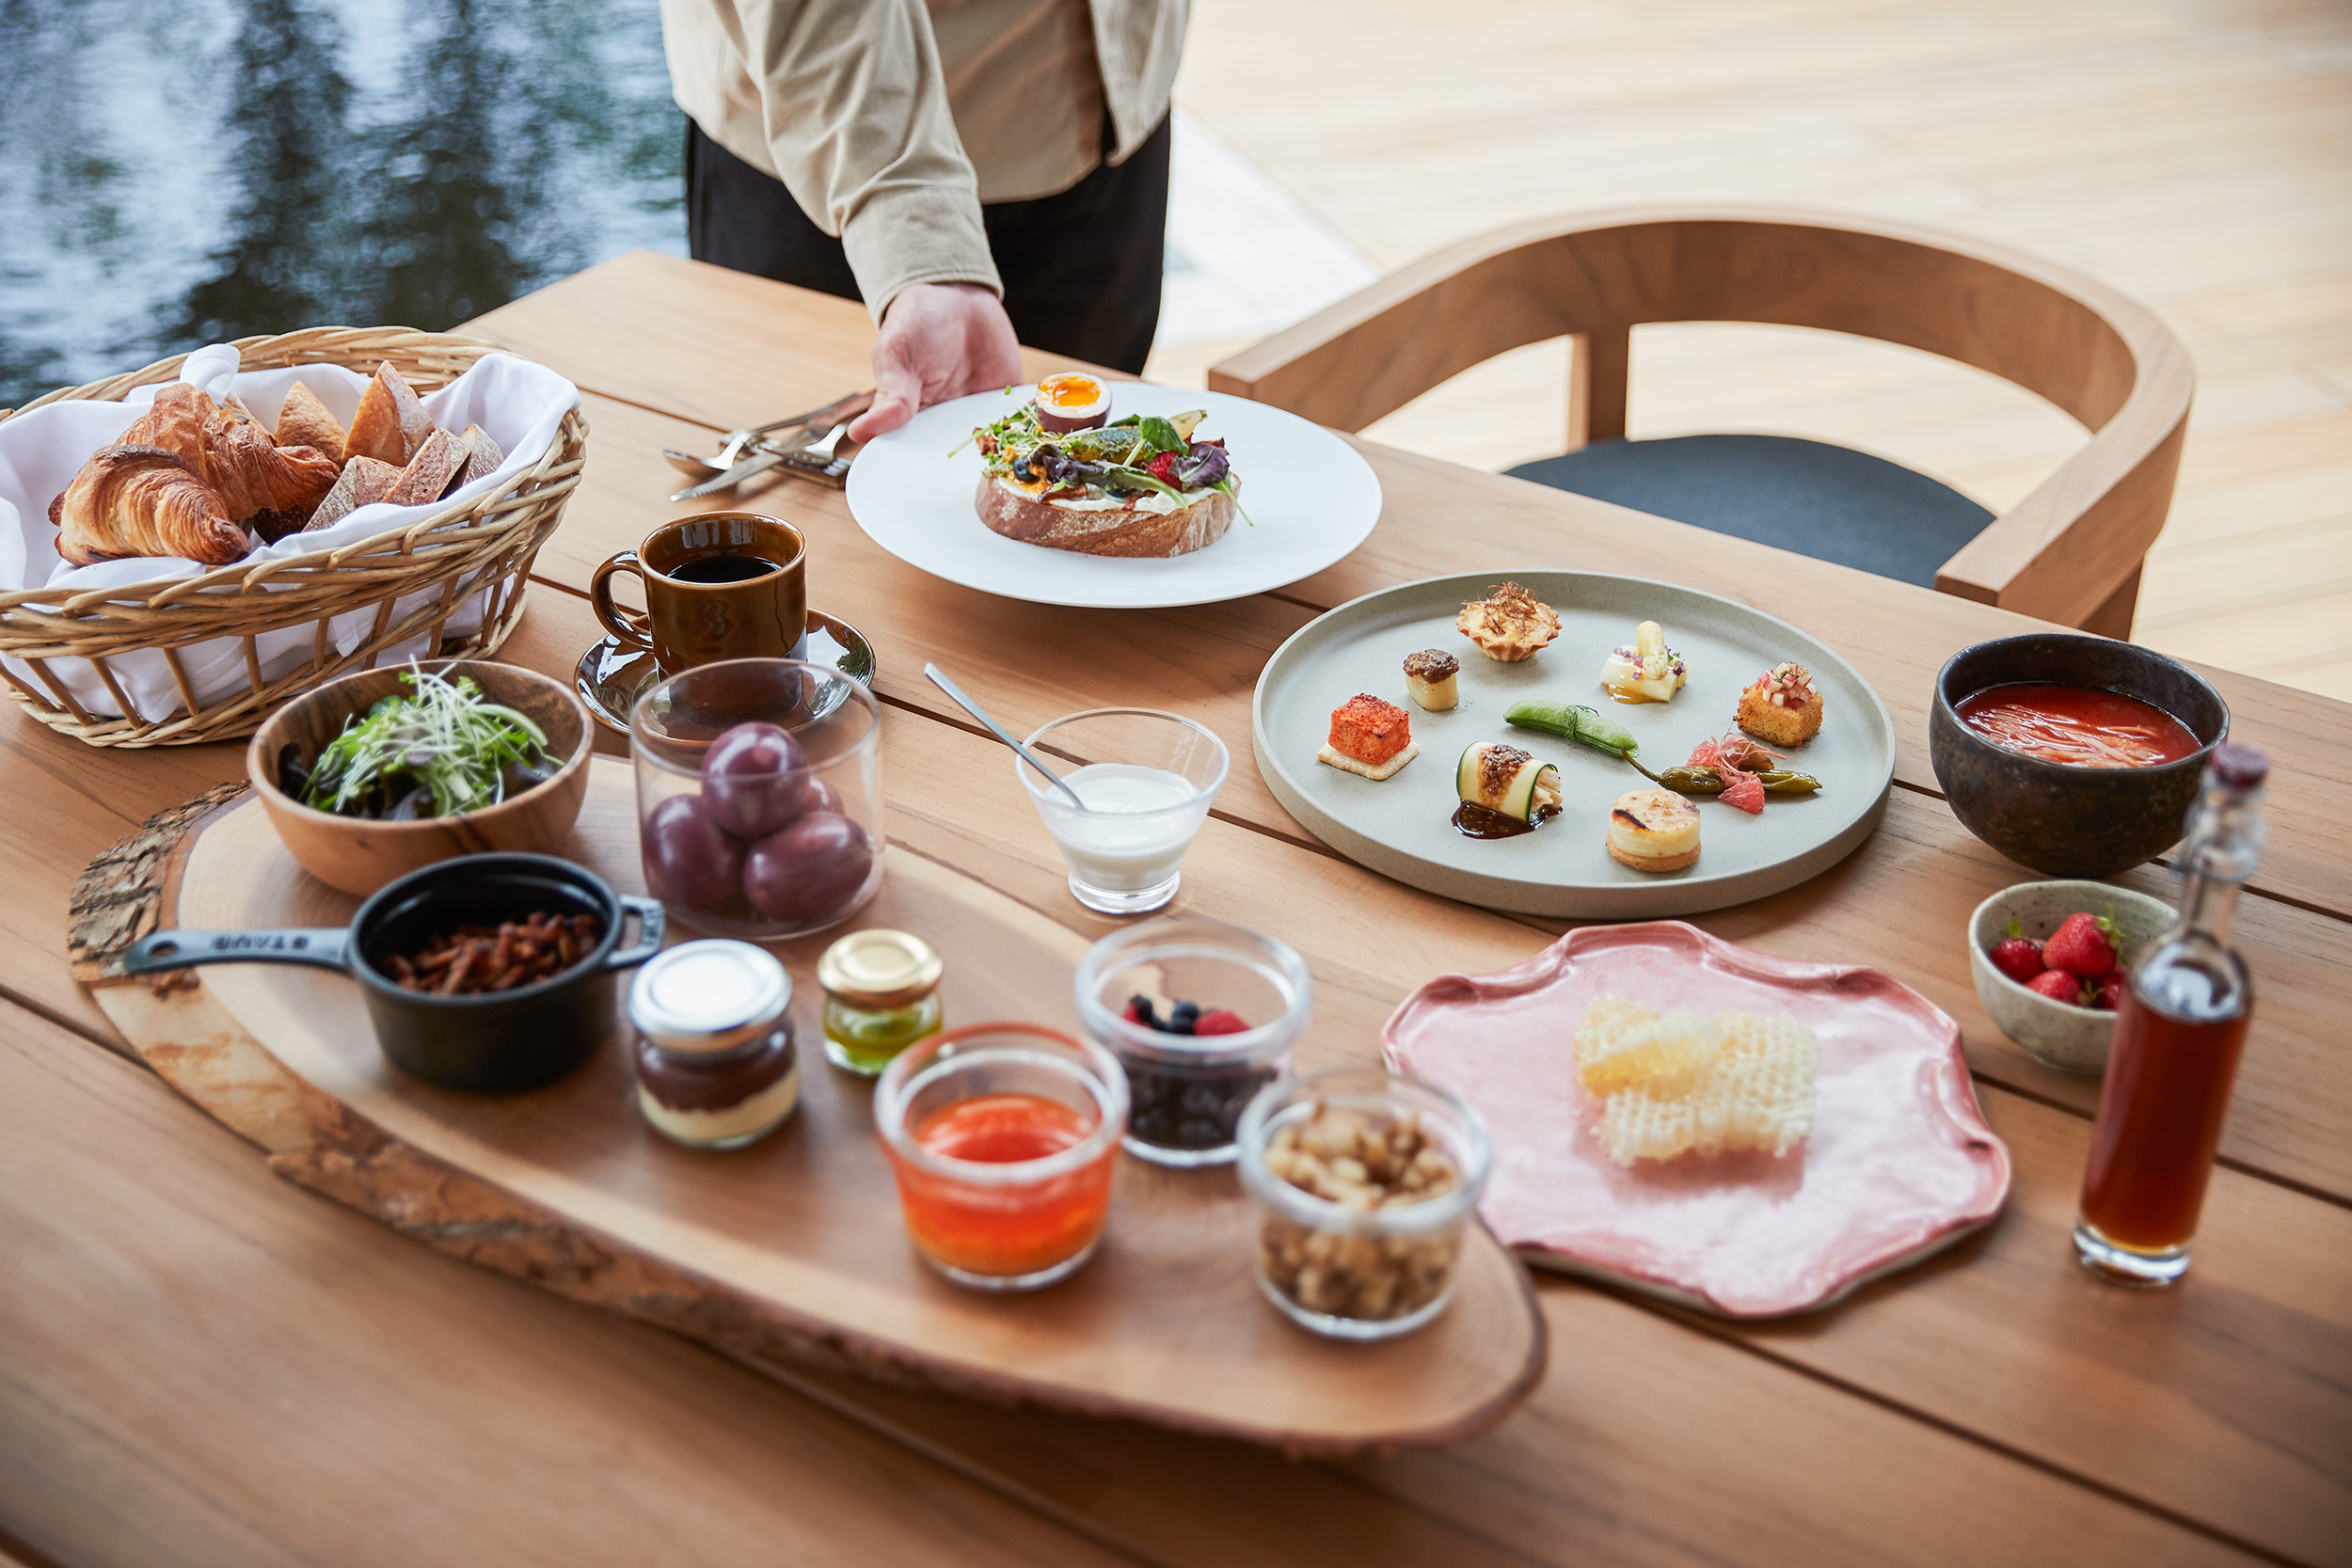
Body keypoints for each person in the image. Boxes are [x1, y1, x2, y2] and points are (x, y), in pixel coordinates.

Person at [660, 0, 1187, 443]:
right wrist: (915, 237)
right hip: (835, 156)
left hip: (1110, 110)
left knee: (1094, 495)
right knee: (801, 521)